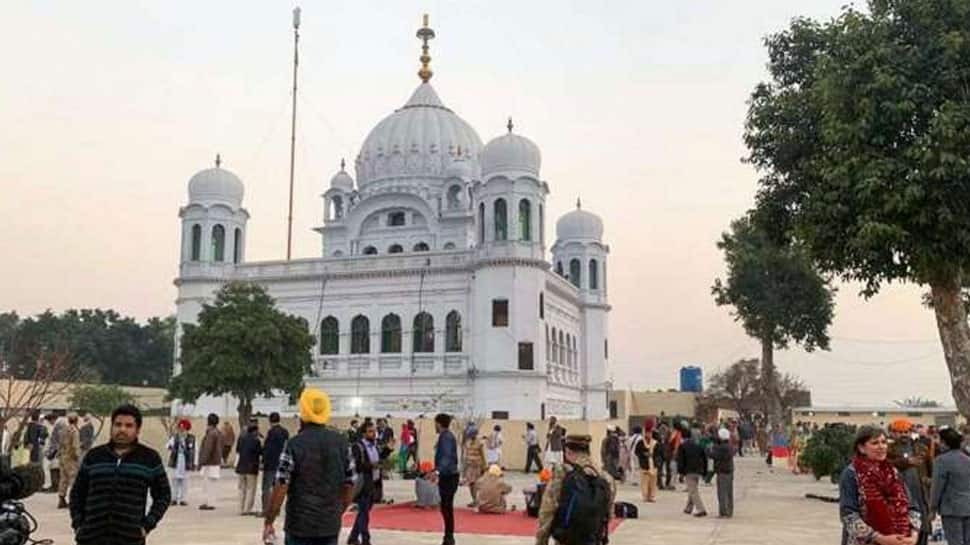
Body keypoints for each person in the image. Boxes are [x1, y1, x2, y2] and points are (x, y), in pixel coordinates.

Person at [264, 388, 355, 545]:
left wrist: (269, 520)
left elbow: (281, 485)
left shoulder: (293, 444)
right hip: (329, 526)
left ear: (302, 414)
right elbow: (350, 483)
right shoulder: (343, 444)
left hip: (299, 525)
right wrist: (337, 511)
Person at [70, 404, 171, 545]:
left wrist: (147, 526)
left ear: (138, 430)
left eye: (129, 425)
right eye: (118, 424)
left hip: (130, 539)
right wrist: (78, 525)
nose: (122, 429)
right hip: (91, 538)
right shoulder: (94, 456)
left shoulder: (149, 458)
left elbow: (163, 495)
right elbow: (77, 493)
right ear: (112, 427)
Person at [840, 425, 921, 545]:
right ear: (861, 448)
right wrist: (879, 538)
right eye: (875, 443)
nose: (881, 447)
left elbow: (912, 507)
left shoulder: (893, 473)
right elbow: (848, 515)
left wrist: (914, 535)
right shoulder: (852, 474)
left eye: (884, 442)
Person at [536, 434, 615, 545]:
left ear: (568, 450)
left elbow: (547, 512)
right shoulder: (605, 478)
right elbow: (609, 514)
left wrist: (541, 541)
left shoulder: (562, 473)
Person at [349, 420, 393, 545]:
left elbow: (379, 459)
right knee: (364, 514)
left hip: (374, 484)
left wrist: (388, 450)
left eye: (374, 431)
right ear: (363, 433)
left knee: (363, 513)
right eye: (370, 431)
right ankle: (366, 540)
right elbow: (357, 465)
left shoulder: (375, 445)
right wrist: (372, 466)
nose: (374, 434)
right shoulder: (358, 447)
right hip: (363, 484)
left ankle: (353, 538)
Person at [889, 419, 932, 545]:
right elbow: (885, 464)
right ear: (893, 433)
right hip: (899, 499)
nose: (904, 435)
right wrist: (906, 462)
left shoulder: (921, 448)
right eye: (900, 432)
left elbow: (931, 470)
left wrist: (929, 482)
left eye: (906, 431)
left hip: (921, 497)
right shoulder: (888, 449)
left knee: (923, 529)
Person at [930, 428, 970, 545]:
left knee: (955, 542)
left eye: (939, 440)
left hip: (951, 509)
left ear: (944, 442)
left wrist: (932, 508)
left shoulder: (941, 461)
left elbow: (937, 487)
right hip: (968, 507)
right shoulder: (968, 459)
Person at [432, 413, 460, 545]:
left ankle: (449, 537)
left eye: (435, 424)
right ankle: (448, 536)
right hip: (448, 475)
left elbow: (447, 457)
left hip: (449, 476)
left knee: (446, 507)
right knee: (446, 507)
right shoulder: (446, 436)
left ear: (438, 423)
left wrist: (438, 471)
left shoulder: (446, 437)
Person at [677, 426, 709, 517]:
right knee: (693, 489)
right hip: (698, 470)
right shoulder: (698, 445)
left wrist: (681, 473)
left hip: (689, 471)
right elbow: (704, 458)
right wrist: (705, 472)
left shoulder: (682, 446)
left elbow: (681, 461)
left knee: (693, 491)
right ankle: (688, 508)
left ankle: (701, 509)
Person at [261, 412, 289, 515]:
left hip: (271, 464)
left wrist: (263, 461)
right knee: (278, 488)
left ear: (270, 420)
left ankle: (267, 510)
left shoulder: (271, 432)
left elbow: (268, 449)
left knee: (267, 487)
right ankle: (276, 509)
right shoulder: (285, 432)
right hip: (282, 463)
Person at [235, 419, 262, 516]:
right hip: (251, 468)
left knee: (242, 488)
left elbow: (237, 450)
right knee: (251, 489)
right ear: (255, 431)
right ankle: (247, 509)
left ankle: (240, 508)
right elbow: (260, 452)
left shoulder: (241, 438)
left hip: (241, 466)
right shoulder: (256, 440)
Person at [167, 418, 196, 506]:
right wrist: (172, 447)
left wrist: (195, 462)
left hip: (186, 461)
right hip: (176, 460)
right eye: (180, 428)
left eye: (183, 429)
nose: (181, 430)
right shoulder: (175, 437)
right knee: (174, 480)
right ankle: (174, 498)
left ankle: (183, 499)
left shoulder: (192, 438)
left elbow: (195, 450)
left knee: (185, 481)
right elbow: (168, 445)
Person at [198, 413, 223, 511]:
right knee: (213, 484)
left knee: (208, 484)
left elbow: (207, 449)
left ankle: (208, 503)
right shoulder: (219, 433)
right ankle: (210, 502)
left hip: (209, 462)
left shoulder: (211, 433)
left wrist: (201, 461)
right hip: (216, 462)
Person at [57, 413, 81, 509]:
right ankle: (73, 501)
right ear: (76, 420)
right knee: (73, 479)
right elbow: (75, 445)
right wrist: (77, 456)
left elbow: (60, 444)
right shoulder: (74, 431)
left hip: (63, 456)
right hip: (71, 457)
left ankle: (61, 499)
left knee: (63, 479)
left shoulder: (63, 430)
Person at [710, 428, 735, 518]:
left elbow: (713, 455)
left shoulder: (721, 448)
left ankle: (723, 512)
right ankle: (729, 511)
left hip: (722, 472)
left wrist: (708, 450)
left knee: (721, 493)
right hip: (729, 471)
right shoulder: (730, 446)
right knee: (729, 492)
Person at [461, 427, 486, 508]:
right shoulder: (468, 442)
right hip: (469, 465)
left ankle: (477, 500)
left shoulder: (479, 443)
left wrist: (484, 466)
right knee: (471, 484)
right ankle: (474, 500)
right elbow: (466, 455)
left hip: (477, 466)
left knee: (475, 484)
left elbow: (483, 455)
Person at [634, 423, 659, 502]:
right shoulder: (640, 443)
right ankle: (645, 496)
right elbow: (637, 452)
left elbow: (659, 453)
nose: (648, 434)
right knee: (644, 482)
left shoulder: (655, 443)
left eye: (650, 433)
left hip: (653, 464)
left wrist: (654, 457)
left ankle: (652, 496)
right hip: (644, 465)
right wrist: (644, 454)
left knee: (653, 482)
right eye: (647, 433)